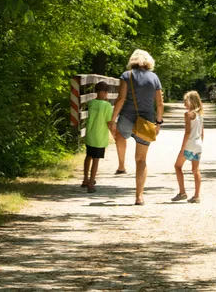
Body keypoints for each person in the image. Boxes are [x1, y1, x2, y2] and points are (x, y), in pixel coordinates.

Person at [108, 49, 164, 205]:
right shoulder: (154, 77)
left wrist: (112, 120)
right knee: (141, 160)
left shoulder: (127, 75)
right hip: (146, 122)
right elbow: (159, 103)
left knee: (119, 134)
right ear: (148, 61)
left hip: (126, 118)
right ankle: (139, 196)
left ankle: (121, 164)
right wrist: (158, 123)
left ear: (132, 60)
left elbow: (120, 99)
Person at [171, 91, 204, 203]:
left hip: (189, 145)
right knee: (196, 170)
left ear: (191, 102)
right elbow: (202, 132)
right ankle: (196, 196)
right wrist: (200, 144)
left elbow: (187, 132)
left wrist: (183, 148)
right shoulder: (200, 115)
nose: (184, 105)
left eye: (185, 102)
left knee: (177, 166)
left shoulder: (188, 114)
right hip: (198, 145)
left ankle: (182, 192)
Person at [82, 81, 113, 193]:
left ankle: (85, 179)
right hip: (99, 137)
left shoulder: (91, 103)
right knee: (96, 160)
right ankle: (91, 182)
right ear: (105, 92)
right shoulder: (107, 106)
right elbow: (109, 121)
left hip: (90, 135)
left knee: (88, 156)